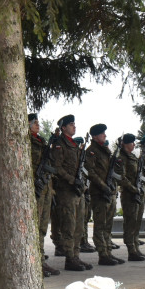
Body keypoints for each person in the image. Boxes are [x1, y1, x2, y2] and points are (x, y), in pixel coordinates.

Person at [52, 115, 91, 271]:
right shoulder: (59, 145)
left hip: (77, 191)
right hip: (66, 191)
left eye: (74, 124)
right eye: (71, 125)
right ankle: (69, 258)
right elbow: (57, 167)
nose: (74, 127)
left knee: (79, 226)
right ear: (63, 128)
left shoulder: (75, 145)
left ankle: (76, 256)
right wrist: (71, 180)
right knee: (69, 226)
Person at [84, 124, 122, 265]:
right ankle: (103, 254)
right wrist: (103, 185)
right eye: (102, 134)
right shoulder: (92, 151)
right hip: (99, 192)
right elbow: (91, 172)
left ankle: (108, 252)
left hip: (109, 191)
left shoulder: (105, 150)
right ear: (95, 136)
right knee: (100, 225)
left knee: (108, 224)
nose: (105, 135)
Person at [28, 113, 59, 277]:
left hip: (46, 187)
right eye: (34, 122)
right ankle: (35, 262)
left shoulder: (41, 142)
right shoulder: (27, 141)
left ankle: (41, 260)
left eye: (38, 122)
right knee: (35, 226)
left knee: (42, 227)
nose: (37, 125)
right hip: (36, 186)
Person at [117, 134, 145, 261]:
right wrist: (133, 188)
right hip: (129, 194)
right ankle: (131, 250)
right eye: (131, 143)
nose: (134, 145)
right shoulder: (121, 158)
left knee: (136, 222)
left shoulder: (133, 157)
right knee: (130, 223)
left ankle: (136, 248)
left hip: (138, 193)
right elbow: (121, 177)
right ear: (125, 144)